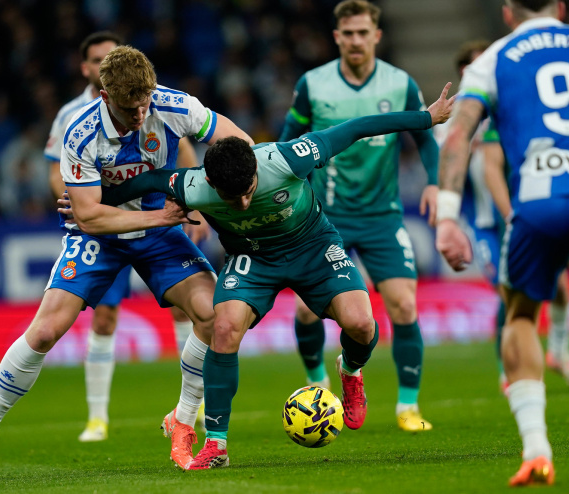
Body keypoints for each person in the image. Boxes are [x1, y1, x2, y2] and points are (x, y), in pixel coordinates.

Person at [93, 83, 454, 469]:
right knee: (225, 327)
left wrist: (425, 118)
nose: (244, 202)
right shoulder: (192, 185)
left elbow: (355, 128)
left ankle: (350, 371)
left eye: (248, 191)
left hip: (313, 247)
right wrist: (88, 200)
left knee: (362, 324)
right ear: (211, 184)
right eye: (233, 199)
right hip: (253, 258)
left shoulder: (286, 159)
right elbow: (141, 183)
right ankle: (216, 444)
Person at [0, 45, 253, 479]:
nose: (141, 114)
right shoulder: (79, 132)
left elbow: (238, 141)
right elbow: (88, 215)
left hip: (158, 236)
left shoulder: (173, 104)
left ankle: (182, 420)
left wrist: (247, 175)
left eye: (144, 103)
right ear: (105, 97)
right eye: (129, 108)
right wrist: (162, 214)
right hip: (101, 238)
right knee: (45, 330)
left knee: (211, 314)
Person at [436, 0, 569, 486]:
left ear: (507, 12)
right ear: (559, 7)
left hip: (536, 202)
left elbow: (459, 135)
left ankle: (537, 449)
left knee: (520, 315)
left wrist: (448, 218)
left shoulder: (494, 58)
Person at [279, 0, 440, 432]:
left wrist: (434, 180)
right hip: (324, 219)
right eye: (347, 33)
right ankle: (317, 385)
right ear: (336, 37)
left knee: (404, 305)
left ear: (376, 35)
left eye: (362, 32)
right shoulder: (313, 84)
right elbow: (286, 142)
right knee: (306, 313)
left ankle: (407, 407)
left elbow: (424, 135)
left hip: (382, 216)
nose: (355, 40)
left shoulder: (399, 81)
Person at [43, 31, 206, 443]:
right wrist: (76, 201)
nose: (103, 60)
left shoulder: (151, 102)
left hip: (154, 220)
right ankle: (97, 417)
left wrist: (193, 204)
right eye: (97, 57)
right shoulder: (70, 118)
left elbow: (182, 147)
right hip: (105, 226)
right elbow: (55, 172)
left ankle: (193, 406)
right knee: (104, 315)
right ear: (89, 71)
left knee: (190, 308)